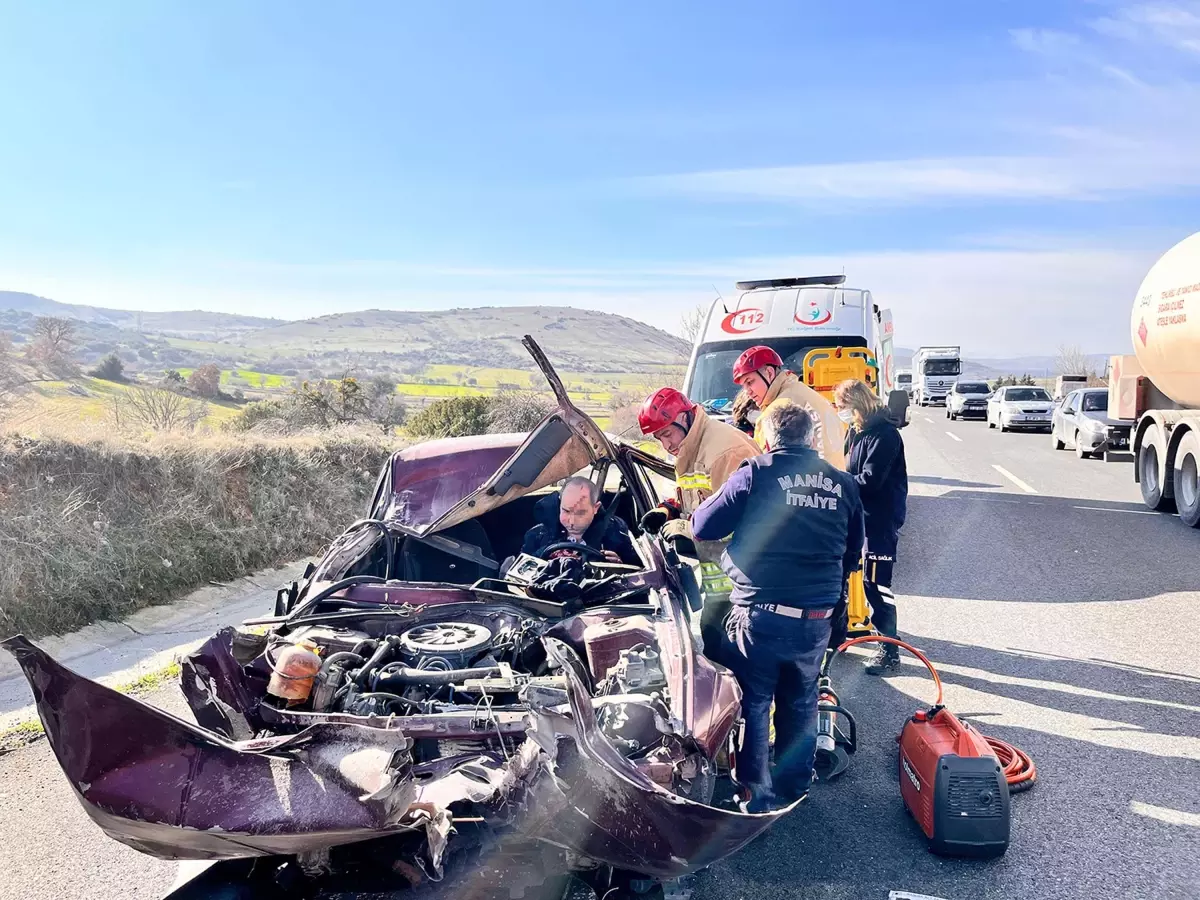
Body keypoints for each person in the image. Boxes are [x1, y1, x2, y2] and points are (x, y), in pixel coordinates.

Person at [691, 400, 863, 812]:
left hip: (761, 615)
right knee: (801, 700)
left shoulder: (757, 473)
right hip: (817, 617)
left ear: (767, 438)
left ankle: (757, 795)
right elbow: (854, 552)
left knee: (754, 702)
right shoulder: (844, 484)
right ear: (810, 439)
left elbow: (702, 525)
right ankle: (795, 786)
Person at [636, 387, 760, 662]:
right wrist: (667, 510)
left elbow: (747, 520)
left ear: (684, 418)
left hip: (746, 581)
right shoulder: (693, 447)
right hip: (722, 578)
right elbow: (696, 496)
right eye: (659, 438)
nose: (666, 446)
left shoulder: (724, 452)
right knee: (715, 645)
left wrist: (688, 529)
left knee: (738, 658)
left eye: (667, 434)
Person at [834, 378, 908, 675]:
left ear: (856, 405)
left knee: (876, 585)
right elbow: (848, 468)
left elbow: (870, 480)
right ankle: (836, 635)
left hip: (879, 519)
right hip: (858, 516)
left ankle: (890, 651)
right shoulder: (857, 431)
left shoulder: (885, 435)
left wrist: (837, 485)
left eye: (841, 407)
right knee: (844, 573)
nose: (840, 412)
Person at [731, 345, 847, 469]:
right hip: (834, 480)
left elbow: (766, 467)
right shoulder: (808, 394)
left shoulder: (776, 413)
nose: (747, 392)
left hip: (806, 485)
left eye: (750, 382)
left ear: (769, 373)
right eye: (744, 386)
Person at [521, 476, 641, 566]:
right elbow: (520, 571)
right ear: (559, 504)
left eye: (580, 513)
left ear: (596, 508)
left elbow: (639, 571)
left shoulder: (616, 533)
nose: (571, 521)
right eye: (566, 511)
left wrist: (620, 565)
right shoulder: (538, 535)